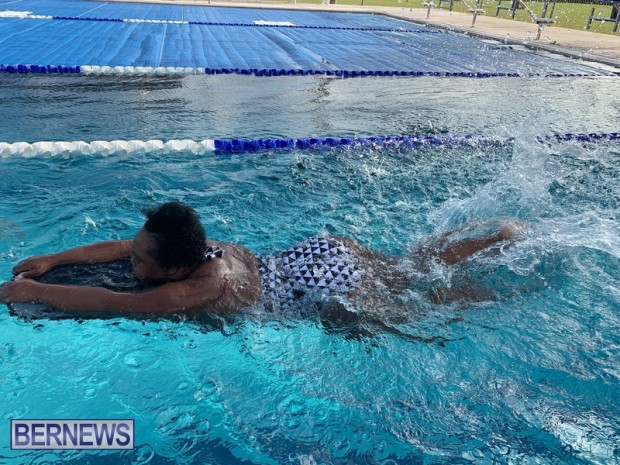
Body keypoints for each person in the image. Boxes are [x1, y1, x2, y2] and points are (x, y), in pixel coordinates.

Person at [0, 202, 518, 320]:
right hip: (319, 251)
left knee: (423, 303)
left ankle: (501, 294)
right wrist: (48, 257)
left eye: (142, 263)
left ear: (176, 269)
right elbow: (118, 247)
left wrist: (35, 291)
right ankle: (500, 235)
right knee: (407, 267)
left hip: (317, 291)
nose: (131, 263)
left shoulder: (191, 289)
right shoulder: (196, 244)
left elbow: (111, 302)